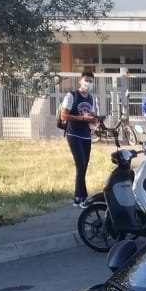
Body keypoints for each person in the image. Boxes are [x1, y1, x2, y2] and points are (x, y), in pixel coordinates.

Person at [59, 72, 98, 206]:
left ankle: (77, 197)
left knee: (83, 167)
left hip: (86, 135)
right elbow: (64, 116)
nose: (89, 83)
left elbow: (91, 116)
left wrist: (94, 119)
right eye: (86, 80)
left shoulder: (91, 98)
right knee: (80, 165)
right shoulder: (72, 96)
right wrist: (82, 118)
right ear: (80, 81)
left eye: (91, 81)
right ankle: (84, 197)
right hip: (74, 134)